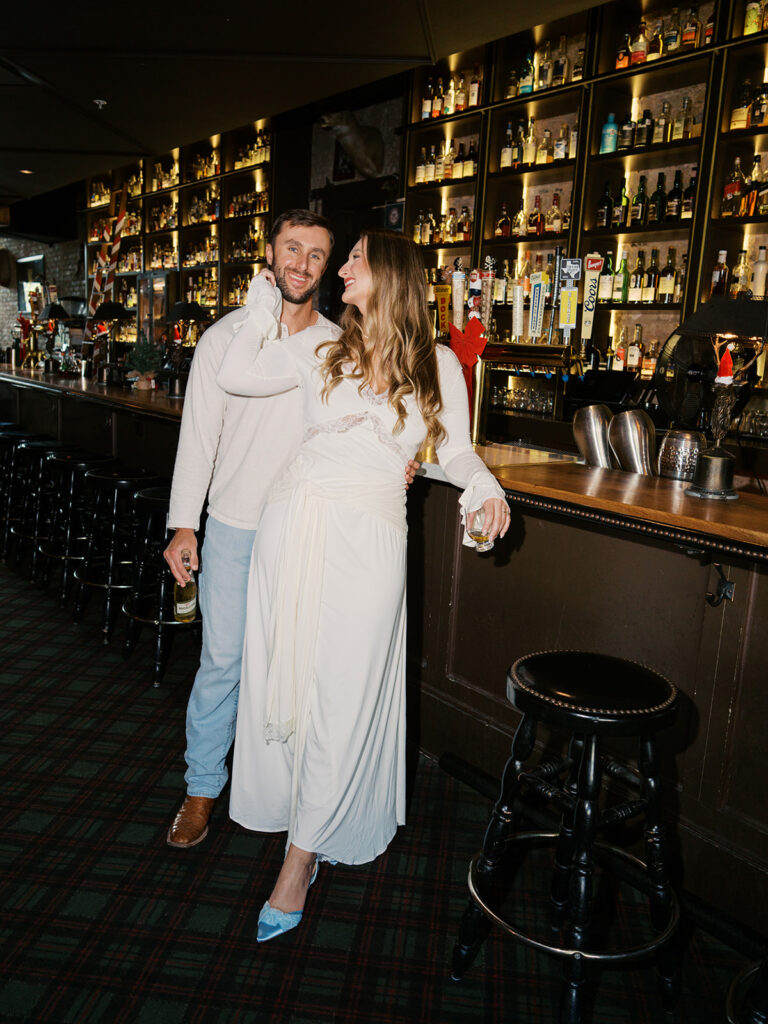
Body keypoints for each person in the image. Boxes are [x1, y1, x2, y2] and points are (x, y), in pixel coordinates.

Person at [216, 229, 510, 941]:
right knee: (291, 682)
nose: (340, 268)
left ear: (391, 274)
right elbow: (235, 373)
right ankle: (301, 826)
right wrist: (261, 307)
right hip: (293, 525)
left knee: (343, 697)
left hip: (371, 539)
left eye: (353, 258)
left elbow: (456, 450)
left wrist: (485, 488)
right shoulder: (321, 349)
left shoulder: (438, 363)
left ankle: (299, 860)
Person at [163, 209, 341, 848]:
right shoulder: (225, 336)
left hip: (304, 531)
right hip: (235, 529)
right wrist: (184, 525)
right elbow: (198, 439)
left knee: (299, 670)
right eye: (292, 248)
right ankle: (202, 788)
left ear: (327, 266)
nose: (301, 263)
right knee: (224, 664)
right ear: (270, 252)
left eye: (316, 254)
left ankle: (295, 793)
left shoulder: (335, 344)